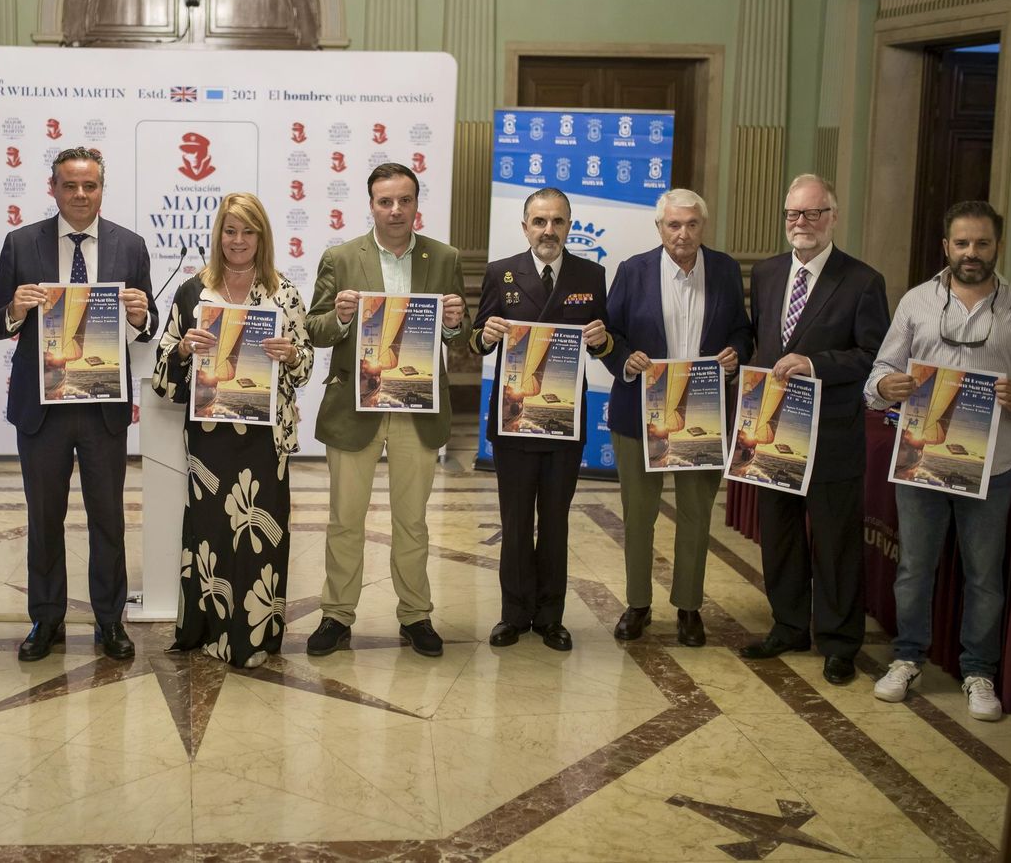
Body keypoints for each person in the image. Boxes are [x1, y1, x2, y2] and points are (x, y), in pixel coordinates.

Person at [866, 200, 1011, 721]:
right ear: (945, 247)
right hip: (920, 461)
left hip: (991, 468)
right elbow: (879, 373)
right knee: (914, 569)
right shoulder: (915, 303)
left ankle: (979, 671)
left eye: (982, 243)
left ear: (997, 246)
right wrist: (887, 385)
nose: (971, 253)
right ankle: (908, 658)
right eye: (962, 243)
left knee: (984, 576)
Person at [0, 147, 157, 662]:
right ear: (53, 188)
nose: (80, 195)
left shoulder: (131, 245)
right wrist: (14, 310)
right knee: (44, 517)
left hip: (103, 404)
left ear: (102, 189)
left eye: (90, 186)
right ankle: (46, 619)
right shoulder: (21, 242)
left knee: (108, 518)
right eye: (69, 186)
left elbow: (148, 325)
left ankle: (110, 621)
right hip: (42, 409)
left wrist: (141, 314)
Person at [303, 162, 471, 658]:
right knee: (344, 520)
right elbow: (313, 330)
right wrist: (339, 315)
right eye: (385, 201)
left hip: (417, 408)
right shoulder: (340, 257)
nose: (395, 210)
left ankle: (416, 615)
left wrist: (455, 324)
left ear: (418, 204)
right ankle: (336, 615)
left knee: (412, 521)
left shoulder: (444, 257)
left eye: (404, 200)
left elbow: (457, 335)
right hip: (356, 407)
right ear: (371, 205)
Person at [152, 193, 313, 667]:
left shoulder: (284, 293)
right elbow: (164, 379)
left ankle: (256, 636)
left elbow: (304, 371)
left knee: (262, 537)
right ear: (218, 234)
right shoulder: (192, 293)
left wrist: (291, 356)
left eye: (248, 231)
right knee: (212, 536)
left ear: (261, 237)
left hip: (265, 439)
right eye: (230, 230)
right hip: (210, 436)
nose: (238, 240)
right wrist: (183, 349)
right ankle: (209, 631)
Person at [741, 173, 889, 685]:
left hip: (831, 434)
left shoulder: (863, 281)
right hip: (773, 428)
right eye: (792, 215)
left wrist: (815, 362)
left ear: (832, 217)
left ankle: (839, 641)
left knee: (834, 541)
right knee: (778, 536)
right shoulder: (764, 274)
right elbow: (761, 342)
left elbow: (873, 356)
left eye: (811, 214)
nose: (800, 224)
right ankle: (787, 625)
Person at [603, 189, 752, 647]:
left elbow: (743, 332)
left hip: (703, 411)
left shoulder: (725, 270)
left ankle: (689, 607)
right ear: (659, 228)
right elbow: (610, 334)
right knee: (639, 515)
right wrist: (625, 360)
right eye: (673, 225)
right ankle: (638, 604)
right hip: (639, 413)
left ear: (702, 227)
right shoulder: (633, 271)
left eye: (691, 224)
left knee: (695, 515)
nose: (682, 233)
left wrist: (736, 356)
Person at [470, 187, 614, 651]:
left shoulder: (591, 274)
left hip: (564, 421)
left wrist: (601, 338)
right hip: (514, 421)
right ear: (526, 226)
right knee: (515, 521)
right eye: (540, 221)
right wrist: (484, 334)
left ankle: (551, 616)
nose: (548, 230)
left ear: (569, 226)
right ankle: (513, 614)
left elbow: (606, 343)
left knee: (555, 520)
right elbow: (475, 339)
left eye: (557, 222)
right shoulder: (501, 272)